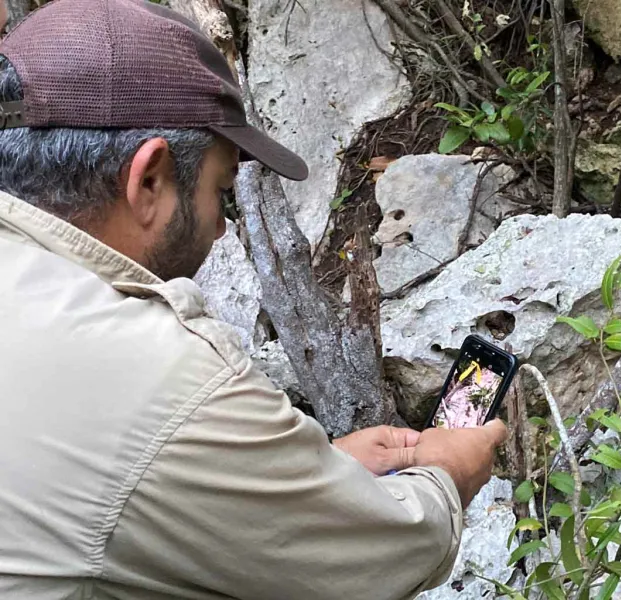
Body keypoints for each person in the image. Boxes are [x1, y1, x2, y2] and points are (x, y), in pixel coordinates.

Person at [0, 1, 508, 598]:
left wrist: (294, 476)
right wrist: (448, 470)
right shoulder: (163, 377)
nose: (220, 229)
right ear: (150, 180)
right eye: (221, 192)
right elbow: (387, 553)